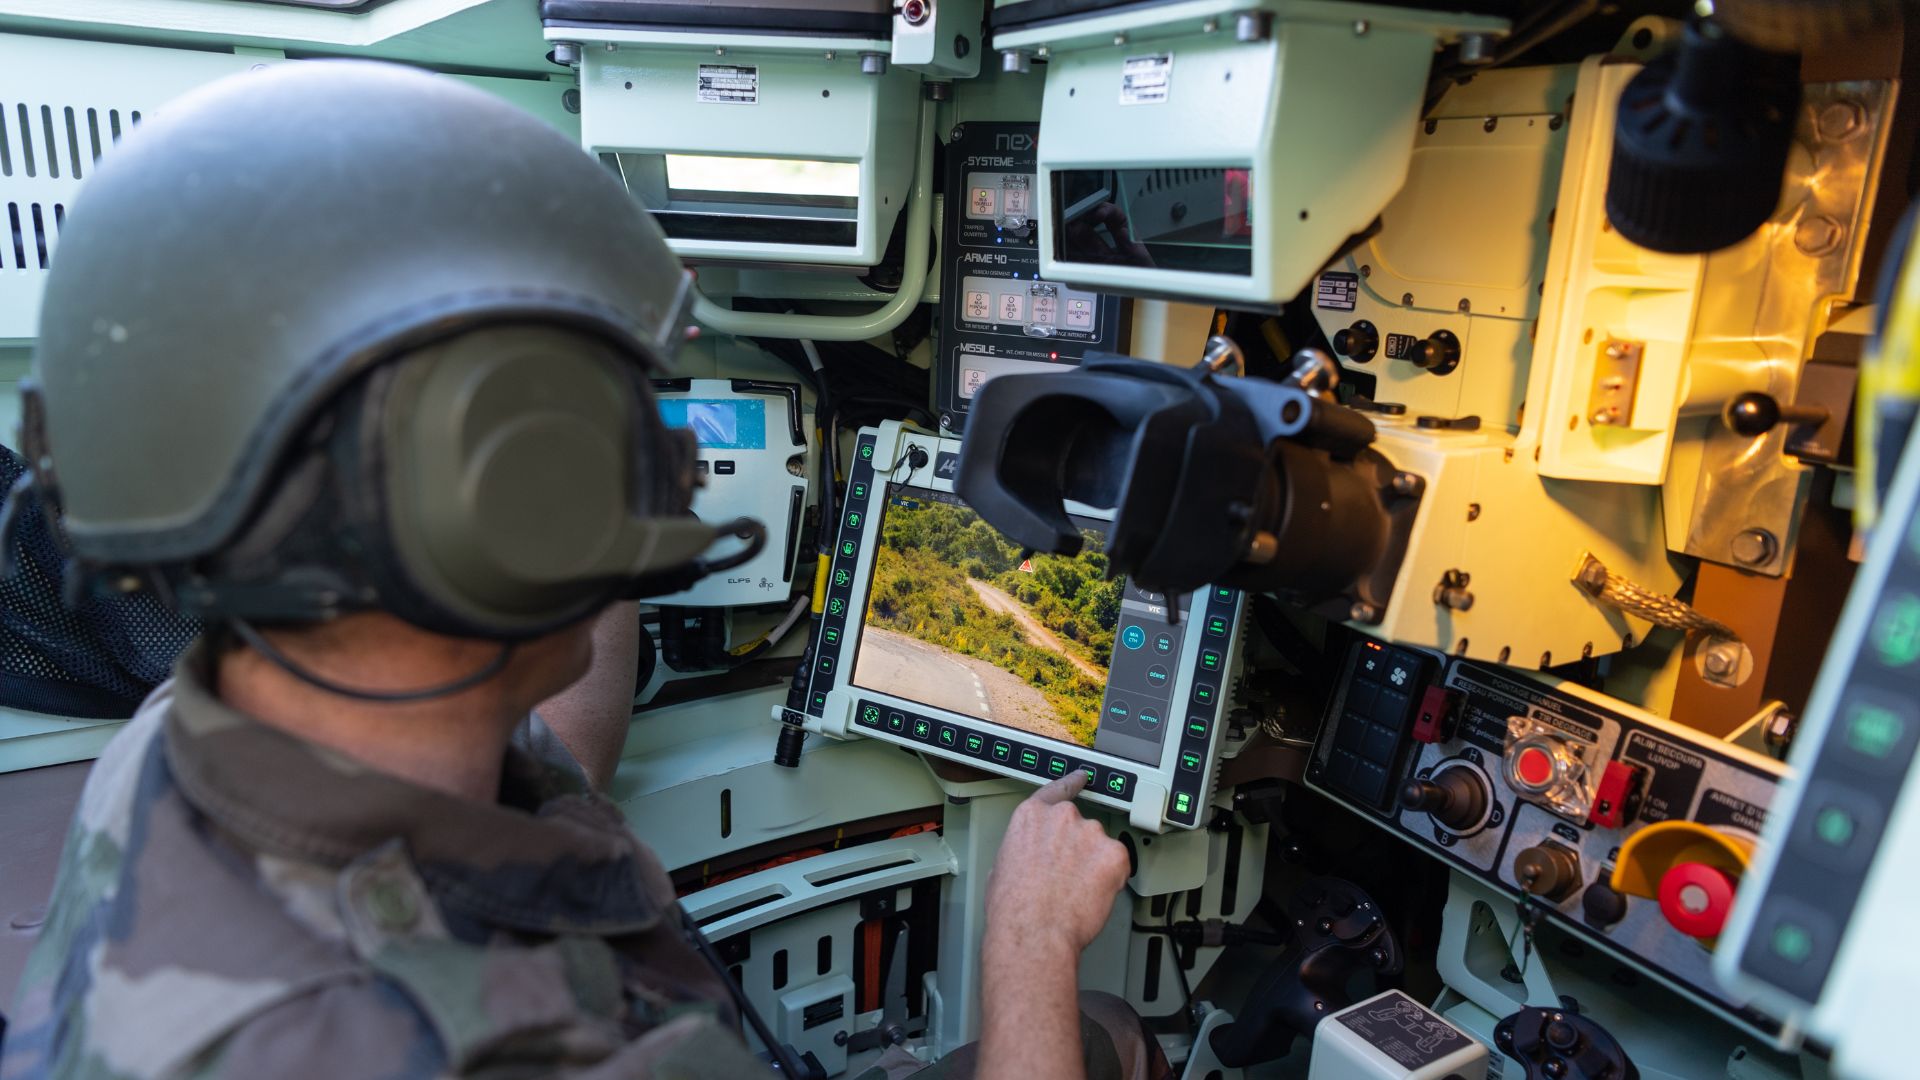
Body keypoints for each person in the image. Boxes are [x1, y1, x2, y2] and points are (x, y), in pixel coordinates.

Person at [1, 61, 1156, 1079]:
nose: (672, 465)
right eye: (621, 422)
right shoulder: (471, 1048)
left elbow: (561, 763)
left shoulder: (194, 733)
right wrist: (1030, 938)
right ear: (499, 503)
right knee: (1104, 1028)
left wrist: (571, 541)